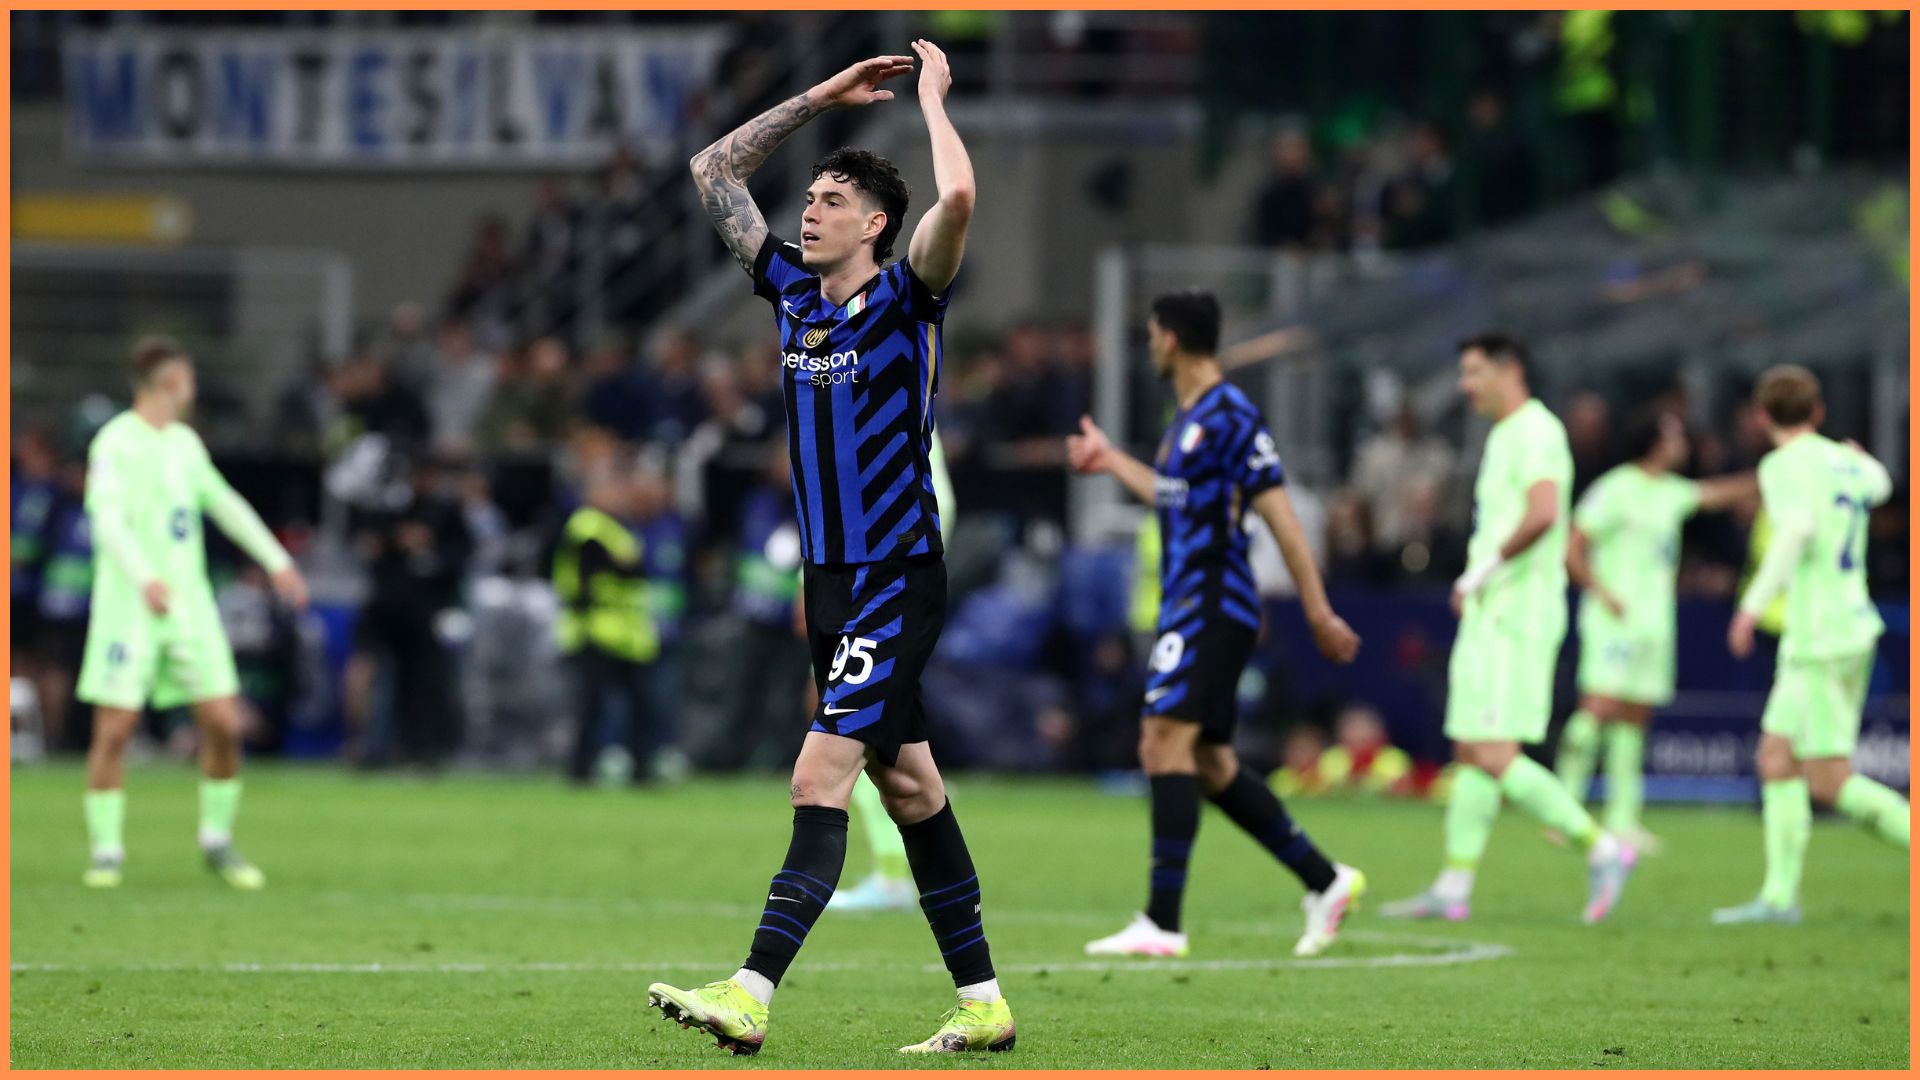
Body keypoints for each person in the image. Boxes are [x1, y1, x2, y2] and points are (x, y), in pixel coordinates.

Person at [650, 42, 1014, 1056]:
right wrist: (820, 99)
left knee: (820, 776)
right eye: (807, 198)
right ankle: (983, 1001)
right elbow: (712, 171)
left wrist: (934, 100)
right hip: (828, 587)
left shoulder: (908, 299)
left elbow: (965, 199)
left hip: (897, 577)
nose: (808, 211)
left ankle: (752, 990)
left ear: (877, 225)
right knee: (912, 789)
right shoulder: (792, 297)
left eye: (830, 201)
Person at [1066, 290, 1364, 959]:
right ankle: (1325, 879)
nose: (1149, 346)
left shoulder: (1231, 414)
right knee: (1209, 762)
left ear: (1169, 339)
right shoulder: (1189, 421)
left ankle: (1162, 922)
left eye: (1150, 335)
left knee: (1160, 742)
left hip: (1213, 603)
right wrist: (1112, 460)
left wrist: (1316, 610)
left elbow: (1281, 515)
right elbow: (1174, 499)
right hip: (1189, 603)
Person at [1380, 331, 1634, 924]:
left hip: (1518, 612)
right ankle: (1453, 885)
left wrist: (1482, 570)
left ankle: (1601, 846)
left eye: (1473, 372)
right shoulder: (1503, 435)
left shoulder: (1538, 432)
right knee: (1470, 749)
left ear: (1508, 368)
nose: (1466, 386)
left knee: (1495, 752)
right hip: (1493, 609)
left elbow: (1545, 514)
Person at [74, 336, 309, 889]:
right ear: (170, 381)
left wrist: (277, 561)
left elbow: (223, 503)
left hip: (189, 607)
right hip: (130, 605)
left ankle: (217, 840)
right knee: (116, 730)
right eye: (189, 377)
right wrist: (144, 577)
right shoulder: (115, 444)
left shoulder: (184, 444)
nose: (193, 387)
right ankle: (107, 850)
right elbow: (106, 522)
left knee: (223, 722)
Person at [1713, 366, 1907, 925]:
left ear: (1760, 418)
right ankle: (1778, 898)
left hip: (1820, 635)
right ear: (1817, 412)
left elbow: (1794, 530)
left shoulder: (1780, 466)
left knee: (1827, 778)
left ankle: (1779, 897)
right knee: (1776, 757)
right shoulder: (1845, 462)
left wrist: (1750, 606)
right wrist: (1862, 457)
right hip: (1847, 627)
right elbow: (1883, 483)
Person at [1555, 411, 1754, 852]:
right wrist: (1602, 592)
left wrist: (1773, 473)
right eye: (1675, 434)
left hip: (1654, 621)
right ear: (1655, 441)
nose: (1682, 441)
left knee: (1634, 717)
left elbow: (1718, 494)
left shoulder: (1670, 492)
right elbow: (1572, 545)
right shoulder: (1614, 488)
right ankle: (1562, 810)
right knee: (1598, 707)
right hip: (1614, 618)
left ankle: (1624, 820)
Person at [831, 430, 956, 914]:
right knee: (879, 725)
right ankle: (894, 871)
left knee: (852, 718)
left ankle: (892, 873)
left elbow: (929, 507)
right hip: (869, 573)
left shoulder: (886, 399)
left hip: (878, 580)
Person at [553, 465, 660, 785]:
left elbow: (635, 569)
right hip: (596, 630)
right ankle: (580, 769)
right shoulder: (588, 526)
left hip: (627, 633)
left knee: (640, 706)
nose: (618, 497)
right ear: (592, 494)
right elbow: (618, 567)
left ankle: (641, 768)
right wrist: (625, 566)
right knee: (594, 707)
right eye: (611, 490)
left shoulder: (618, 528)